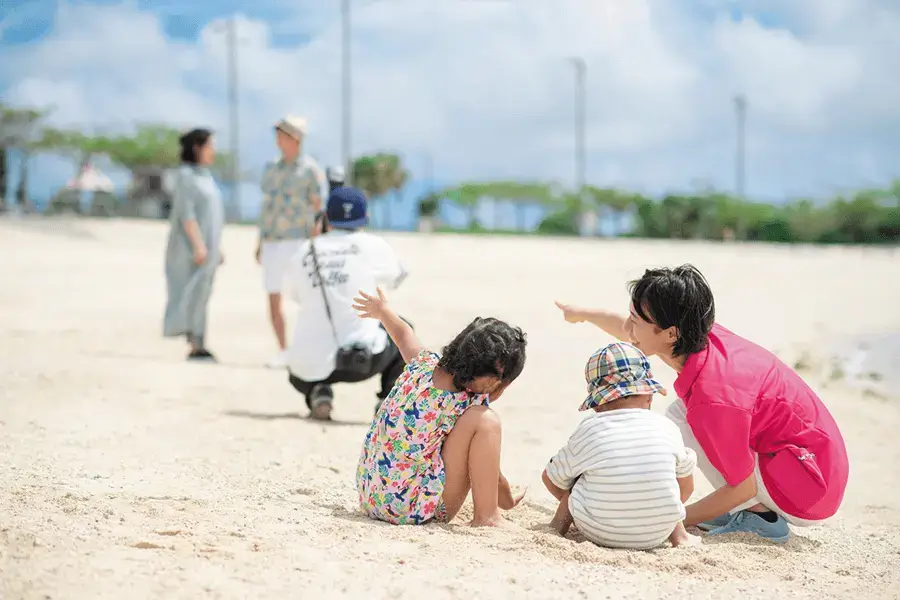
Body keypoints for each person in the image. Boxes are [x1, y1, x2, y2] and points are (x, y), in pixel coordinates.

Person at [555, 265, 850, 543]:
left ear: (670, 333)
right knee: (679, 414)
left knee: (686, 420)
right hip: (812, 461)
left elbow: (743, 485)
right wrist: (582, 314)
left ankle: (762, 517)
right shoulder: (696, 335)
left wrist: (672, 520)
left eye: (636, 320)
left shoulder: (713, 398)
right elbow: (630, 331)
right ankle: (749, 507)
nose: (629, 327)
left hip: (809, 488)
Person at [353, 292, 528, 527]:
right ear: (491, 380)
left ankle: (490, 509)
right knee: (487, 422)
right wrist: (505, 498)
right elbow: (484, 461)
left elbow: (404, 334)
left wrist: (382, 311)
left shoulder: (422, 364)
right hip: (408, 510)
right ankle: (487, 517)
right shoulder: (466, 402)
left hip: (371, 496)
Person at [542, 342, 698, 549]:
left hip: (598, 531)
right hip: (657, 532)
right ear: (648, 394)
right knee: (665, 483)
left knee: (576, 482)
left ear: (597, 403)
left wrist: (583, 498)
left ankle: (556, 528)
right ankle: (681, 537)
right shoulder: (667, 427)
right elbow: (687, 487)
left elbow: (551, 478)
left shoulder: (590, 428)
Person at [282, 186, 408, 420]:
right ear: (366, 217)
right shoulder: (373, 245)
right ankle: (386, 401)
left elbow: (294, 295)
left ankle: (317, 391)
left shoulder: (304, 251)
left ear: (326, 217)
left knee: (303, 355)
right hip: (362, 360)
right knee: (403, 329)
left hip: (306, 364)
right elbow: (398, 277)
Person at [256, 115, 326, 369]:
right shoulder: (270, 168)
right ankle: (283, 350)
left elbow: (319, 208)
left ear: (295, 138)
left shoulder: (310, 170)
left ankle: (304, 349)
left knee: (305, 298)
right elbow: (266, 207)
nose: (278, 139)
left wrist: (318, 243)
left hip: (299, 241)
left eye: (283, 134)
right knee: (273, 295)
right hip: (273, 240)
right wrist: (259, 241)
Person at [162, 128, 224, 361]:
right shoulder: (186, 177)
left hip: (208, 245)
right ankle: (196, 343)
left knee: (202, 293)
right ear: (197, 148)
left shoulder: (204, 176)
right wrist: (199, 245)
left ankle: (198, 341)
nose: (213, 152)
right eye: (210, 146)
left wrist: (217, 246)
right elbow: (187, 215)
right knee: (191, 293)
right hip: (191, 248)